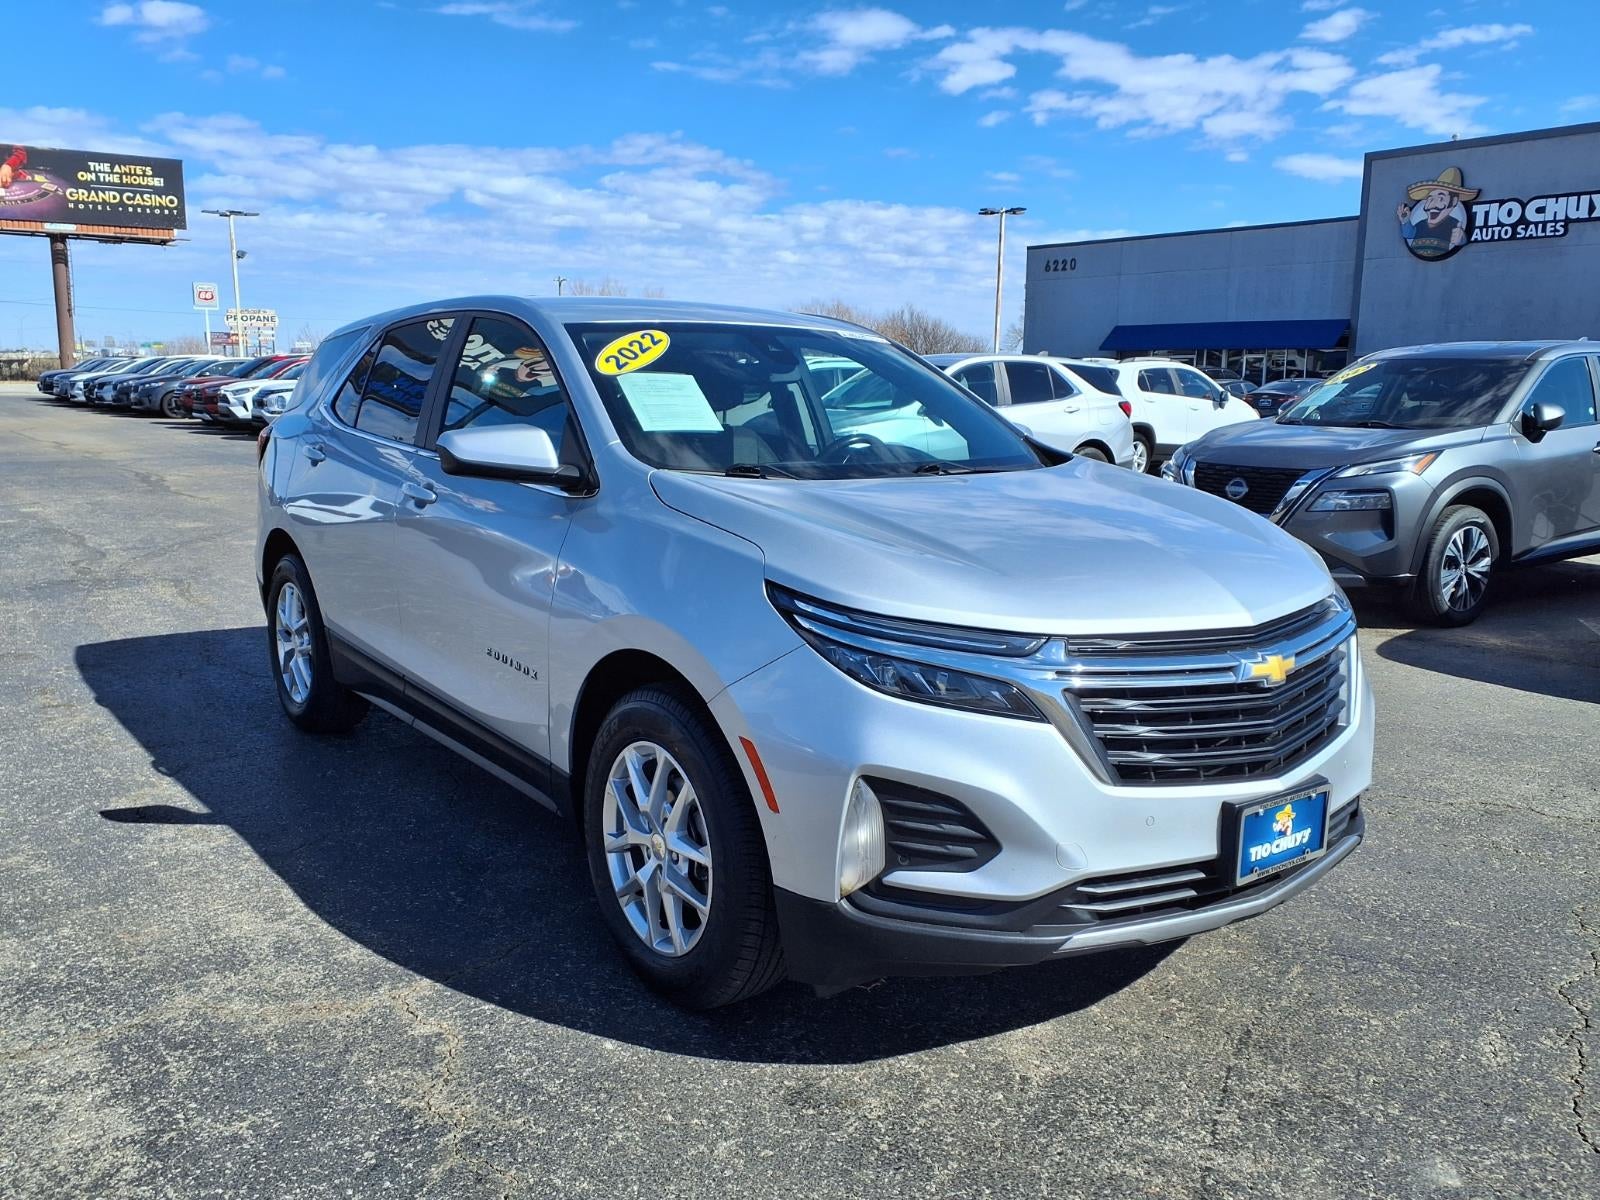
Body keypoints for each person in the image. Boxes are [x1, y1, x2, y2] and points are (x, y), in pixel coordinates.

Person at [1397, 166, 1479, 259]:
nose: (1432, 205)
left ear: (1454, 201)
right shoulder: (1420, 225)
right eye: (1430, 198)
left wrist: (1462, 240)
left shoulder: (1454, 225)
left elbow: (1460, 238)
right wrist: (1405, 221)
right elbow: (1409, 235)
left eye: (1441, 198)